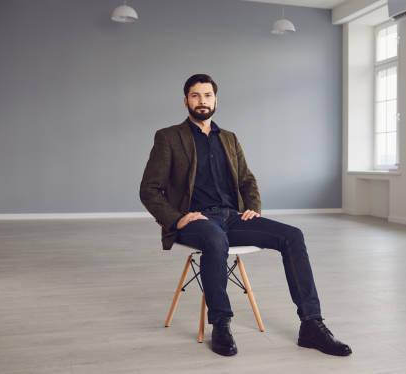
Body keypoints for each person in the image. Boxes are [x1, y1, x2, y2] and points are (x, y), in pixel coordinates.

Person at [140, 73, 351, 357]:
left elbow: (247, 180)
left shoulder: (229, 138)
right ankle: (222, 324)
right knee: (214, 239)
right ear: (186, 101)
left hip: (232, 217)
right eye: (195, 96)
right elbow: (149, 189)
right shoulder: (168, 137)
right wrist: (177, 218)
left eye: (207, 95)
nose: (202, 101)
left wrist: (253, 207)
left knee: (293, 236)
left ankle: (312, 325)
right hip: (196, 220)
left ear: (215, 99)